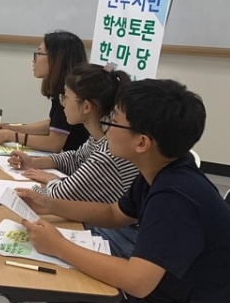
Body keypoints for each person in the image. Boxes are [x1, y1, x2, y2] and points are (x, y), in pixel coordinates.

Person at [17, 79, 230, 303]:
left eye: (114, 120)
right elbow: (115, 214)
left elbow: (138, 281)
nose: (107, 127)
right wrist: (49, 205)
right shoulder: (159, 171)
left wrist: (59, 246)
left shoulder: (176, 197)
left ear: (142, 143)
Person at [8, 62, 140, 256]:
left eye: (66, 97)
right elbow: (76, 158)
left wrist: (50, 180)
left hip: (116, 239)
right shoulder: (100, 136)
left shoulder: (108, 154)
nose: (63, 103)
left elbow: (57, 197)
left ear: (86, 106)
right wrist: (34, 163)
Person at [0, 30, 88, 153]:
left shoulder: (68, 94)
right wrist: (12, 128)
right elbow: (55, 125)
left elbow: (54, 143)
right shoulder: (64, 89)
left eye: (39, 53)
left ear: (56, 59)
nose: (34, 60)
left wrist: (10, 136)